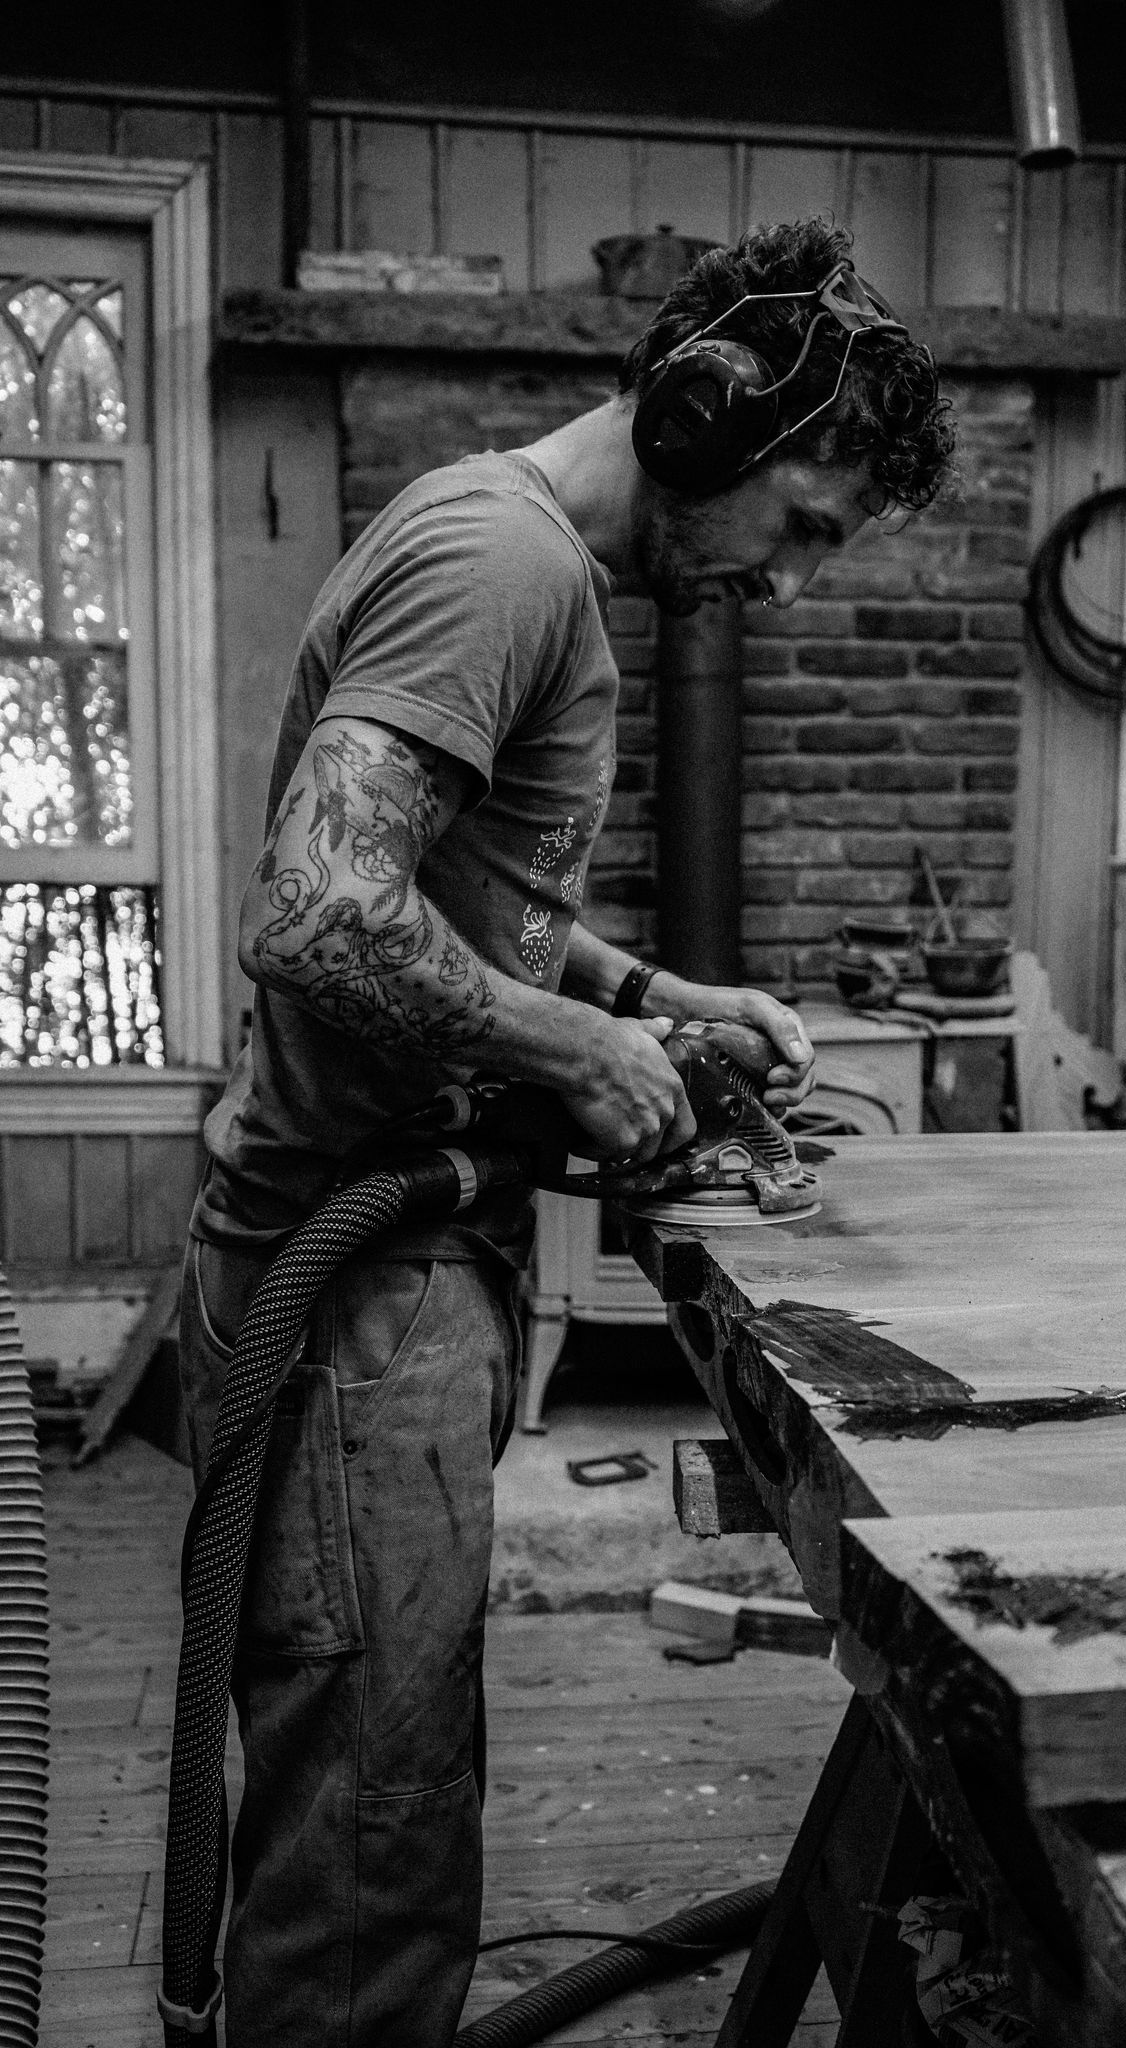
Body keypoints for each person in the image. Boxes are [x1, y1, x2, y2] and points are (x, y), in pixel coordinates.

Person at [179, 214, 954, 2046]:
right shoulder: (498, 567)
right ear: (705, 424)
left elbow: (464, 894)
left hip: (392, 1267)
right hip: (346, 1288)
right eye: (806, 528)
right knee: (366, 1840)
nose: (787, 583)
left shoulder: (518, 559)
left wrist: (641, 1000)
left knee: (391, 1791)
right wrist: (569, 1056)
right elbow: (313, 908)